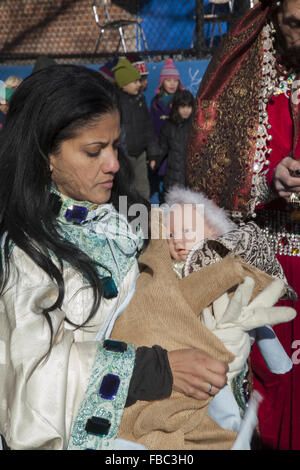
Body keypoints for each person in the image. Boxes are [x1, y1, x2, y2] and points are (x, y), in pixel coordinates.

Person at [0, 64, 230, 451]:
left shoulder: (121, 214)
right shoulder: (25, 254)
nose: (113, 164)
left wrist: (175, 251)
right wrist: (155, 370)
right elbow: (32, 382)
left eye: (114, 146)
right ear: (45, 155)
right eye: (93, 151)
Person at [185, 0, 300, 450]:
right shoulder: (242, 80)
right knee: (270, 386)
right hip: (268, 264)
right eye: (294, 25)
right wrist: (269, 179)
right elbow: (210, 172)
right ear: (274, 18)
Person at [111, 186, 296, 450]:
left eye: (188, 232)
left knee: (224, 410)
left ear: (210, 232)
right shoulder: (161, 270)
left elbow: (257, 316)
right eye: (172, 234)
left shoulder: (223, 267)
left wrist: (277, 359)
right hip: (181, 360)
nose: (179, 240)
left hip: (220, 367)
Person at [112, 58, 160, 201]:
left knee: (143, 187)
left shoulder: (140, 100)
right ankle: (126, 219)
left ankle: (144, 218)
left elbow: (147, 127)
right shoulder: (116, 102)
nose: (139, 84)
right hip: (124, 154)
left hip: (140, 154)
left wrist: (152, 153)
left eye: (139, 81)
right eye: (135, 82)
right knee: (125, 188)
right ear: (123, 84)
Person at [149, 59, 185, 203]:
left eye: (175, 80)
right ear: (162, 82)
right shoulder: (155, 102)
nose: (172, 84)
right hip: (160, 149)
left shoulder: (182, 100)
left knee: (177, 183)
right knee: (162, 183)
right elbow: (151, 125)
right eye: (168, 80)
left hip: (177, 149)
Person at [150, 90, 195, 195]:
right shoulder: (168, 126)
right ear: (176, 107)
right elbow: (162, 147)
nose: (186, 110)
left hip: (190, 177)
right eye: (182, 106)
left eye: (189, 106)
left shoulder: (195, 126)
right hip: (173, 176)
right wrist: (154, 160)